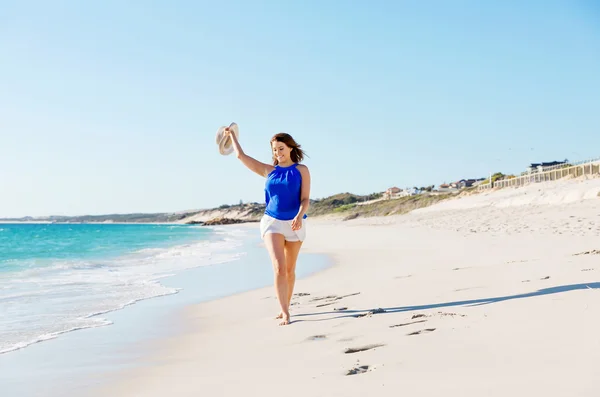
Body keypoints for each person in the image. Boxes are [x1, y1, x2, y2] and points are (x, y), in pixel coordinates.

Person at [223, 127, 310, 326]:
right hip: (272, 222)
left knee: (290, 270)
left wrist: (298, 216)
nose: (277, 153)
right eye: (274, 150)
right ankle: (285, 312)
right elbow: (240, 156)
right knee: (279, 268)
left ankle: (285, 305)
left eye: (281, 148)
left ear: (290, 148)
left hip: (296, 222)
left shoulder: (301, 170)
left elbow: (305, 199)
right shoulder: (269, 171)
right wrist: (232, 136)